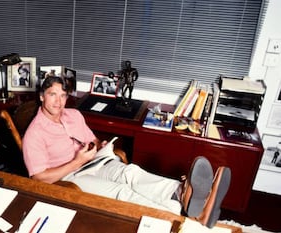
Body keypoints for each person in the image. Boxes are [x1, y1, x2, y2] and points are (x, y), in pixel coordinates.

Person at [22, 76, 231, 228]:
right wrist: (77, 162)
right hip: (70, 176)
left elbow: (91, 139)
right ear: (42, 97)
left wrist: (99, 145)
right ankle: (184, 221)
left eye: (62, 95)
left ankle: (189, 196)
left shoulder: (73, 115)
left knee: (131, 173)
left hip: (94, 161)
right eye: (52, 95)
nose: (58, 102)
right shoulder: (34, 134)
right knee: (123, 192)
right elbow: (38, 178)